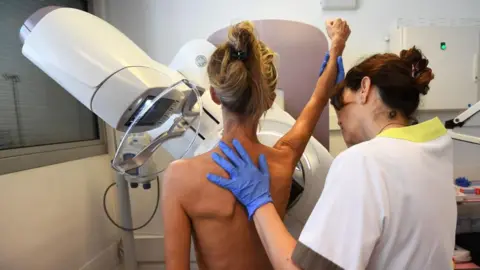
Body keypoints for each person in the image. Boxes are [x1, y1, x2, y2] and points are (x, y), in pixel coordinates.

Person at [207, 47, 458, 269]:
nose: (337, 114)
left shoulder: (363, 162)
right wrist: (329, 92)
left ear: (365, 89)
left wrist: (258, 201)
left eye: (341, 103)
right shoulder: (433, 150)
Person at [161, 19, 350, 270]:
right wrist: (337, 44)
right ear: (270, 100)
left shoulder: (179, 177)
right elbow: (315, 105)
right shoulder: (283, 163)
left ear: (216, 95)